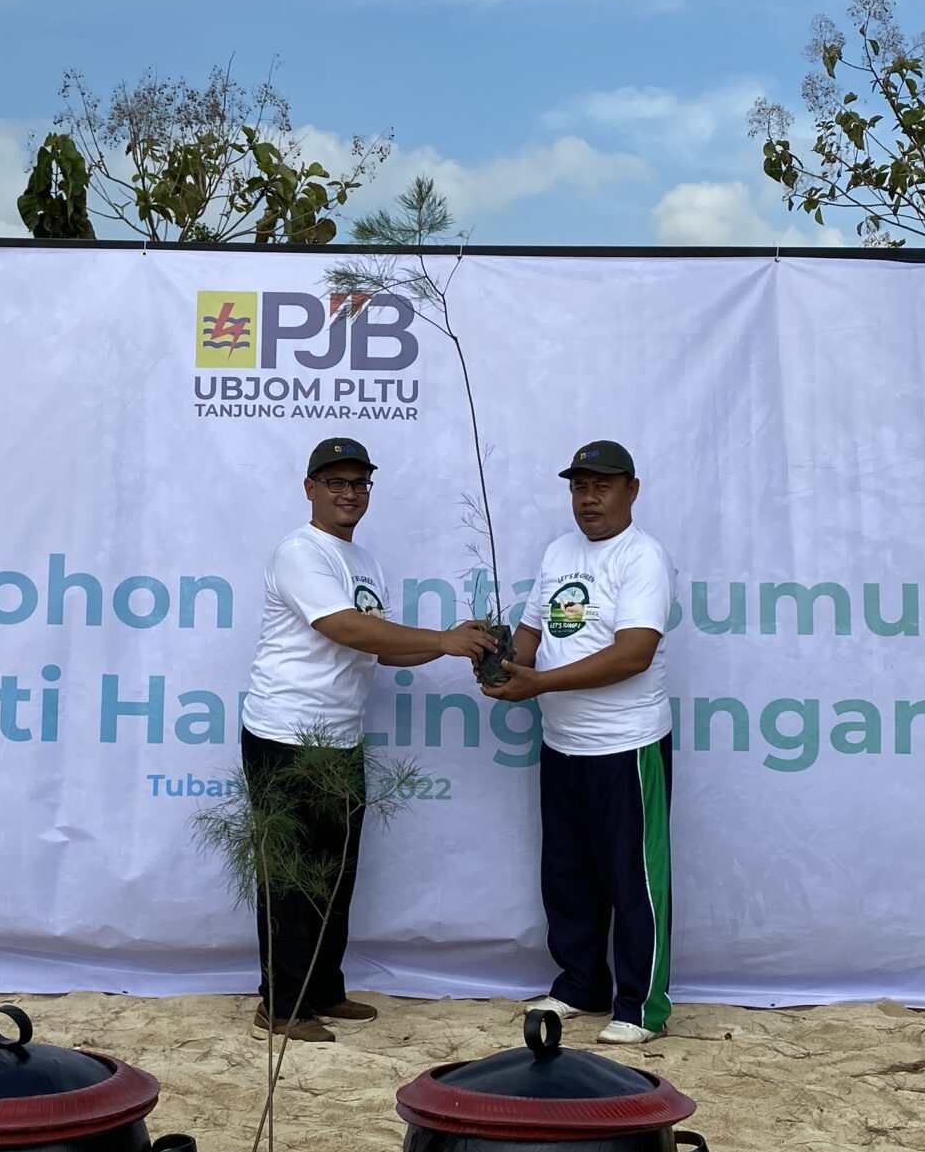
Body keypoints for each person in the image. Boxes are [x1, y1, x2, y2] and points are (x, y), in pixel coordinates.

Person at [242, 436, 499, 1042]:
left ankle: (322, 990)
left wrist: (458, 639)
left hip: (338, 734)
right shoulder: (299, 552)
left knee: (336, 870)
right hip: (286, 732)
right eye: (336, 482)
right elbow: (341, 626)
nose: (348, 493)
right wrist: (441, 640)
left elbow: (379, 646)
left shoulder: (365, 562)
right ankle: (280, 1003)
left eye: (358, 484)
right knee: (291, 873)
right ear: (310, 489)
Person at [481, 440, 676, 1045]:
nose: (588, 499)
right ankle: (581, 984)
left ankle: (642, 1007)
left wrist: (538, 682)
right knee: (568, 875)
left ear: (632, 491)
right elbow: (534, 633)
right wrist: (502, 662)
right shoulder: (559, 552)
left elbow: (633, 655)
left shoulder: (642, 557)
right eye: (578, 487)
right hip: (563, 743)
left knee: (633, 880)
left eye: (602, 486)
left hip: (627, 746)